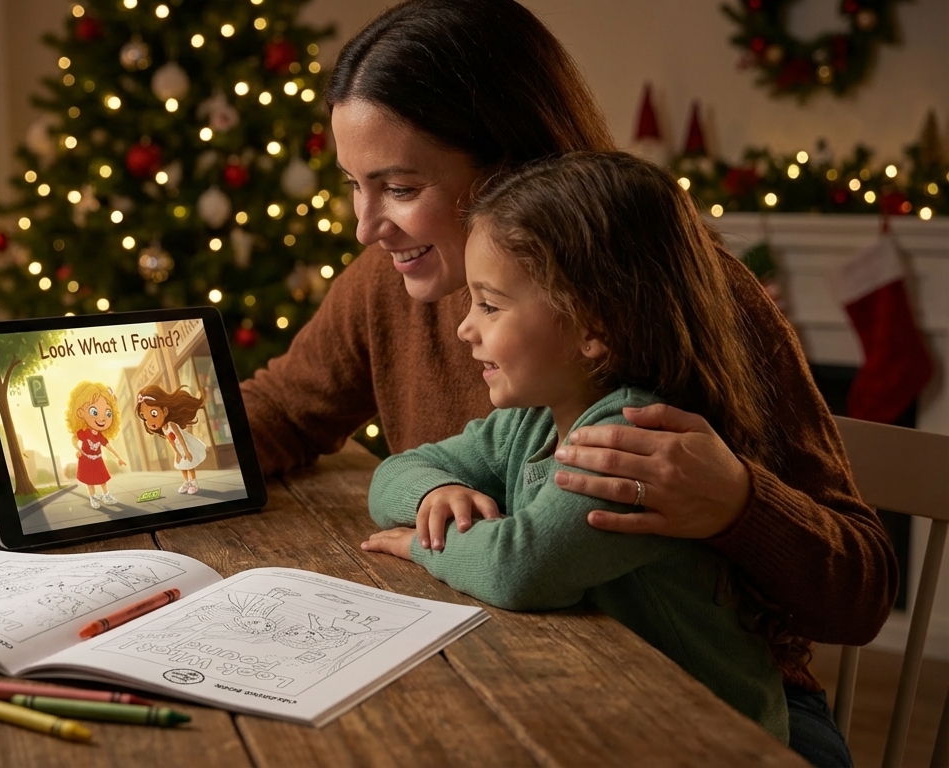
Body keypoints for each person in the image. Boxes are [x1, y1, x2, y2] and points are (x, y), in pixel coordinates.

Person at [235, 1, 892, 764]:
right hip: (512, 673)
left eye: (401, 187)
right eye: (355, 184)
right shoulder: (391, 283)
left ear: (511, 169)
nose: (365, 225)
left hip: (717, 702)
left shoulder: (684, 301)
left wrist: (739, 506)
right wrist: (137, 460)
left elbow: (863, 591)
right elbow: (282, 409)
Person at [362, 151, 792, 741]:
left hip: (708, 738)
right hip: (602, 707)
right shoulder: (532, 421)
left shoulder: (635, 443)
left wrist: (423, 544)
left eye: (490, 305)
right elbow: (397, 471)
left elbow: (520, 568)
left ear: (593, 327)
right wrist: (437, 493)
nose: (466, 327)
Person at [135, 385, 209, 494]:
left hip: (185, 445)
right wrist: (177, 453)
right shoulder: (164, 429)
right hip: (179, 448)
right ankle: (186, 482)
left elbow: (180, 438)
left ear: (165, 411)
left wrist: (186, 451)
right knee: (182, 465)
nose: (149, 422)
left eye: (153, 413)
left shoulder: (171, 425)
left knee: (190, 464)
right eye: (145, 417)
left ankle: (193, 482)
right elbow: (171, 441)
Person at [65, 381, 127, 509]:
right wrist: (78, 450)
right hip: (86, 459)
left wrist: (119, 457)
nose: (102, 418)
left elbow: (108, 446)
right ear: (81, 413)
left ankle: (106, 495)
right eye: (94, 412)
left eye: (107, 413)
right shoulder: (84, 432)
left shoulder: (99, 435)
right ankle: (93, 497)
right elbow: (74, 439)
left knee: (102, 479)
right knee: (90, 481)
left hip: (98, 459)